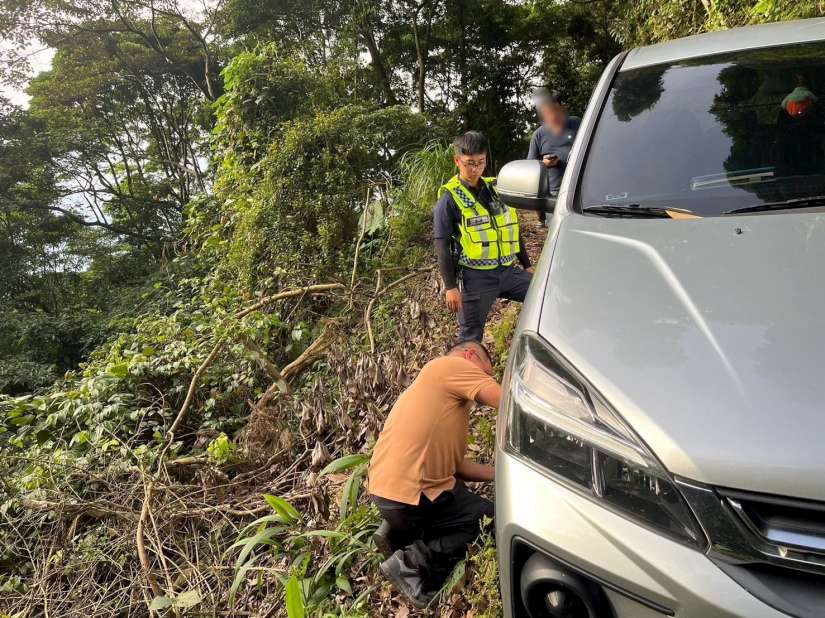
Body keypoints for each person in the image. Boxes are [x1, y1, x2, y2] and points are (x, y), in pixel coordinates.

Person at [368, 340, 501, 608]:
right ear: (471, 355)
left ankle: (398, 533)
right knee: (488, 518)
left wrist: (499, 473)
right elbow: (508, 401)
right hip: (412, 495)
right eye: (486, 372)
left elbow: (456, 467)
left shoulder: (433, 393)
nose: (485, 379)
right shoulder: (451, 365)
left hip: (386, 493)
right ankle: (413, 561)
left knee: (457, 492)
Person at [433, 131, 533, 343]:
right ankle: (468, 373)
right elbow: (441, 246)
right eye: (469, 163)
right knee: (470, 336)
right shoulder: (449, 200)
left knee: (543, 295)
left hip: (507, 272)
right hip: (475, 278)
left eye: (481, 162)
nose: (475, 169)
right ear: (457, 160)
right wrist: (450, 287)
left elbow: (511, 229)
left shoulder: (497, 188)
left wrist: (527, 265)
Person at [527, 88, 581, 225]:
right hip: (556, 196)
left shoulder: (577, 123)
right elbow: (530, 167)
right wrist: (544, 163)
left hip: (581, 189)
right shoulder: (538, 135)